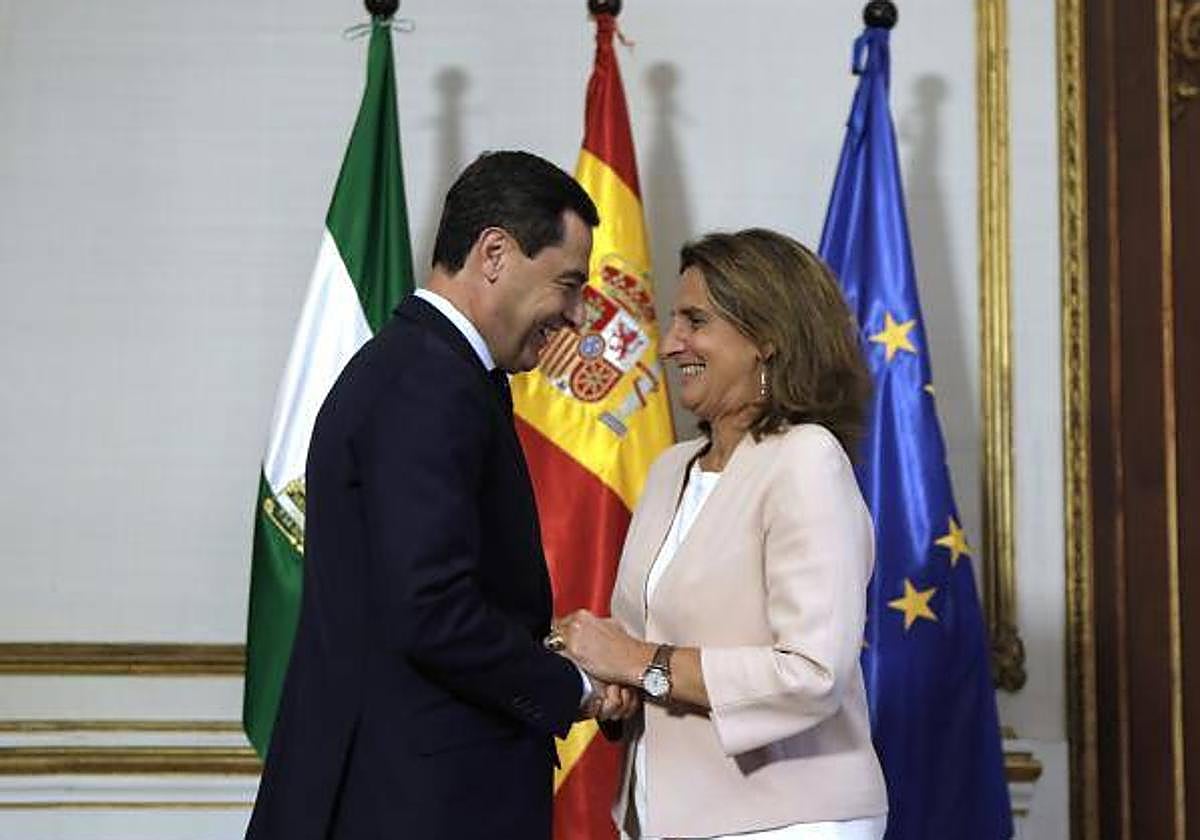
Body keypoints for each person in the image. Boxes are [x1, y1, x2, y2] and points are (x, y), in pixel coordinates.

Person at [246, 151, 636, 840]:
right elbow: (431, 608)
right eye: (568, 284)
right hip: (416, 804)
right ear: (494, 253)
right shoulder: (432, 385)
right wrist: (569, 687)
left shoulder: (423, 369)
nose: (576, 316)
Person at [556, 228, 889, 839]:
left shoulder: (805, 459)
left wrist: (640, 663)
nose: (669, 343)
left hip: (789, 819)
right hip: (660, 814)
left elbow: (812, 671)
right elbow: (648, 649)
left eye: (695, 321)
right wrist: (613, 679)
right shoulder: (668, 471)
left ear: (766, 337)